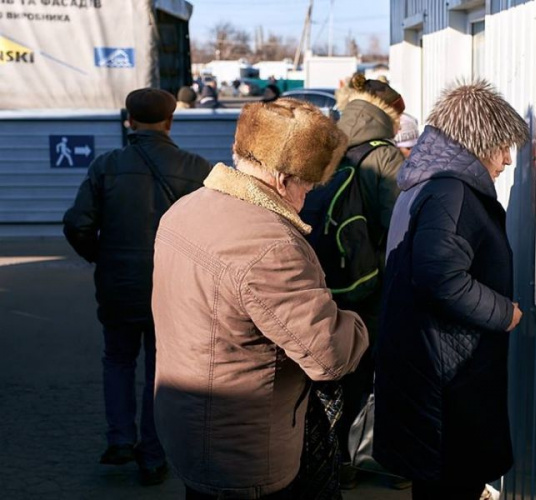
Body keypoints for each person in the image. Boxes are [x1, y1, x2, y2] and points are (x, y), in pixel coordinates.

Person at [151, 98, 370, 499]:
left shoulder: (185, 209)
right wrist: (354, 322)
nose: (308, 196)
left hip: (189, 423)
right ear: (284, 179)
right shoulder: (269, 244)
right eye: (308, 184)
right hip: (246, 450)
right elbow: (329, 356)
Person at [373, 80, 529, 500]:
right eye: (503, 148)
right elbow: (440, 277)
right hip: (445, 381)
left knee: (436, 482)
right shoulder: (451, 192)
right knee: (449, 483)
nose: (508, 161)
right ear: (480, 141)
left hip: (430, 366)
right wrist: (504, 313)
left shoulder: (430, 182)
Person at [62, 88, 212, 486]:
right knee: (161, 369)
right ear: (170, 121)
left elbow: (77, 223)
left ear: (129, 120)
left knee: (117, 359)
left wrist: (101, 256)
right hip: (173, 287)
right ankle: (152, 454)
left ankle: (120, 439)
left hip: (118, 282)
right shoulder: (196, 168)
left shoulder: (105, 166)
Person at [332, 72, 407, 489]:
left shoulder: (329, 143)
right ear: (390, 113)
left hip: (327, 278)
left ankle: (334, 459)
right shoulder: (386, 157)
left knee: (335, 371)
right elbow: (399, 229)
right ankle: (369, 461)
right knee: (372, 374)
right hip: (370, 285)